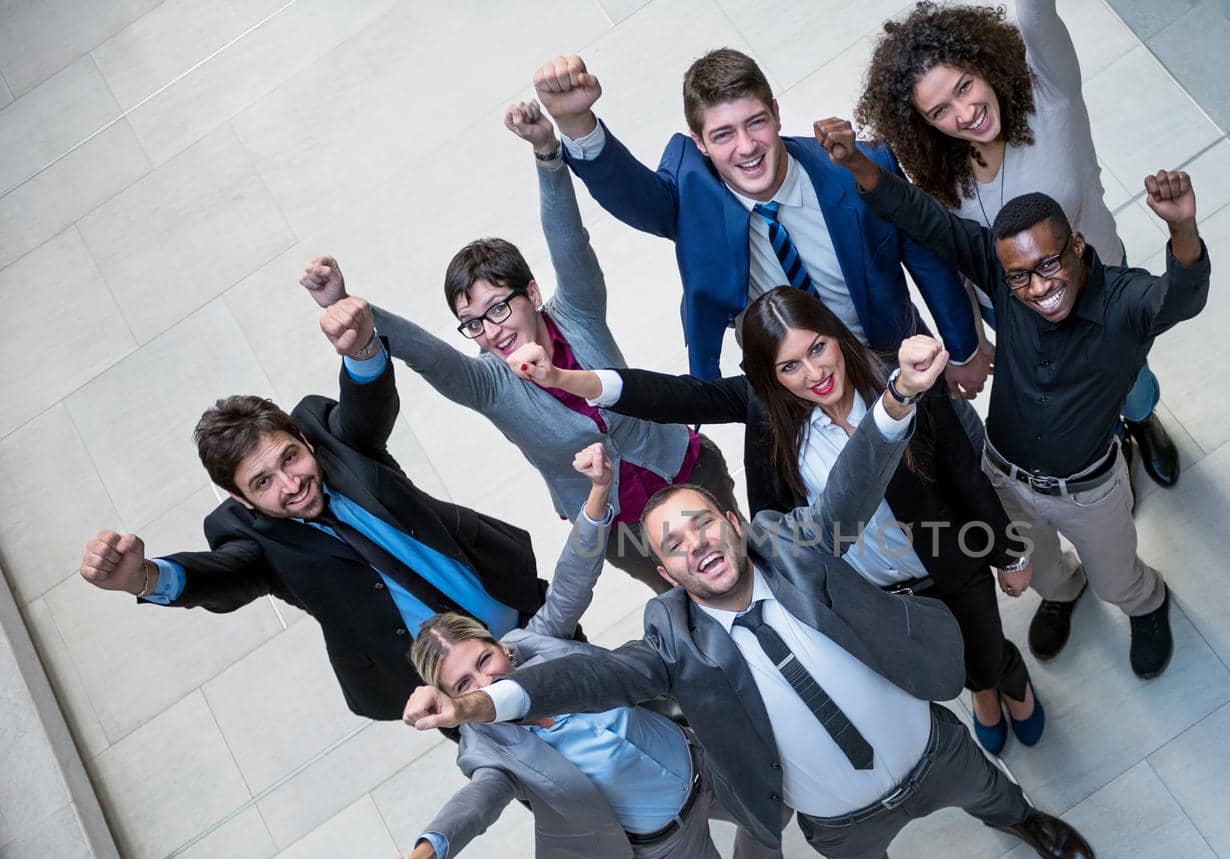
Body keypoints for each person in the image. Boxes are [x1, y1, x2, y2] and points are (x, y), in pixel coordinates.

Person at [399, 336, 1096, 859]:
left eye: (701, 521)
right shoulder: (673, 640)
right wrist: (476, 705)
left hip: (931, 747)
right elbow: (592, 677)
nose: (693, 540)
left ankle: (1025, 822)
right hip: (839, 818)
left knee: (994, 792)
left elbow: (850, 489)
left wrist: (899, 399)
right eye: (672, 543)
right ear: (667, 574)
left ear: (732, 524)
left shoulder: (793, 544)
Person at [507, 286, 1043, 753]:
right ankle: (981, 685)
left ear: (836, 336)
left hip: (949, 559)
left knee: (985, 650)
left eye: (818, 349)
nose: (813, 375)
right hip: (864, 587)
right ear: (769, 375)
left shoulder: (897, 379)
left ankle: (1001, 683)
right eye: (789, 366)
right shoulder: (768, 410)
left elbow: (963, 472)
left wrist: (1008, 551)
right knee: (918, 665)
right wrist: (562, 378)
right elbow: (669, 395)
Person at [370, 444, 818, 859]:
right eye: (465, 684)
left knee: (774, 813)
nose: (485, 681)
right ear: (452, 700)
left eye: (484, 660)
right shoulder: (487, 749)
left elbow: (573, 579)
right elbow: (475, 806)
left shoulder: (538, 645)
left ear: (502, 648)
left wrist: (601, 490)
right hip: (660, 841)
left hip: (704, 761)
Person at [815, 117, 1210, 678]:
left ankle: (1146, 604)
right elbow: (922, 218)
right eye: (1021, 276)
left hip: (1088, 489)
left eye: (1050, 264)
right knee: (1042, 570)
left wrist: (1183, 230)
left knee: (1118, 577)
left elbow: (1183, 298)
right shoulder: (1005, 276)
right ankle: (1061, 592)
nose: (1041, 287)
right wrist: (857, 164)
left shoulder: (1126, 300)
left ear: (1075, 244)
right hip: (1003, 476)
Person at [297, 98, 734, 595]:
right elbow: (424, 352)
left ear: (531, 293)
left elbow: (569, 241)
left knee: (751, 563)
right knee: (695, 607)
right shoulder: (487, 384)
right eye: (473, 323)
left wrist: (548, 153)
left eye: (499, 308)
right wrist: (351, 307)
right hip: (621, 529)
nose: (492, 331)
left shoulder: (579, 314)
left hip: (688, 471)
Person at [77, 297, 551, 726]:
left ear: (304, 441)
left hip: (521, 614)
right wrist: (142, 578)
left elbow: (366, 412)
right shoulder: (248, 535)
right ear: (241, 499)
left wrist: (362, 348)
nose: (291, 483)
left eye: (290, 458)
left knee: (609, 696)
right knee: (561, 791)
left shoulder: (331, 439)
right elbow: (221, 576)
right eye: (263, 482)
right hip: (452, 696)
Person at [529, 47, 996, 414]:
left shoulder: (859, 167)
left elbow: (929, 260)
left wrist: (963, 349)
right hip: (796, 397)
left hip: (897, 363)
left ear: (776, 112)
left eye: (756, 123)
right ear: (700, 143)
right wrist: (576, 123)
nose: (747, 147)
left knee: (970, 493)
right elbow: (630, 193)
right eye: (724, 133)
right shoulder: (692, 201)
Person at [855, 0, 1182, 489]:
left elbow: (1035, 16)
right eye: (940, 110)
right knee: (1071, 400)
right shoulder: (939, 170)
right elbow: (956, 257)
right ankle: (1108, 451)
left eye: (965, 86)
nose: (965, 114)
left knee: (1129, 382)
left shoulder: (1050, 95)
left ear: (984, 64)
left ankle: (1141, 419)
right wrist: (973, 337)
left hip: (1103, 292)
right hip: (1013, 310)